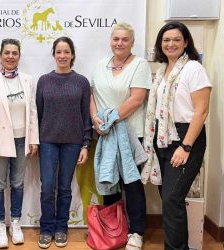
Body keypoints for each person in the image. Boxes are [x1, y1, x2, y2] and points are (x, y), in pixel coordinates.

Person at [143, 21, 211, 250]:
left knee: (172, 199)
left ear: (186, 42)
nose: (170, 44)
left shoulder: (194, 69)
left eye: (176, 40)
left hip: (185, 138)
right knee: (170, 199)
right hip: (162, 138)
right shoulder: (162, 71)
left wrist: (186, 146)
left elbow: (201, 111)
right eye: (166, 40)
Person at [89, 22, 152, 250]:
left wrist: (110, 119)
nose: (120, 43)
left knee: (132, 184)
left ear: (132, 42)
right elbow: (92, 94)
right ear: (110, 41)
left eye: (125, 39)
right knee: (109, 182)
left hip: (130, 134)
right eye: (116, 39)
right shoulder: (100, 65)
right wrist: (95, 117)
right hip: (105, 134)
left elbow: (137, 99)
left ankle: (136, 232)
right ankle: (113, 229)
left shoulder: (140, 65)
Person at [0, 38, 39, 249]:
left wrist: (34, 138)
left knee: (17, 183)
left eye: (15, 53)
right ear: (0, 55)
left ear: (19, 56)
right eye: (7, 52)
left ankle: (15, 223)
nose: (10, 56)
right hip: (0, 140)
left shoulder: (27, 80)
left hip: (22, 139)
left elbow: (32, 111)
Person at [36, 36, 91, 249]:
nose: (62, 56)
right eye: (58, 52)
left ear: (72, 55)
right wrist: (35, 141)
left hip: (73, 142)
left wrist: (85, 144)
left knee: (65, 188)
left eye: (66, 52)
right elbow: (38, 114)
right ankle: (46, 228)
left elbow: (85, 115)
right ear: (53, 55)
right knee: (47, 187)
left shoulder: (82, 82)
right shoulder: (44, 81)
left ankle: (61, 228)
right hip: (47, 141)